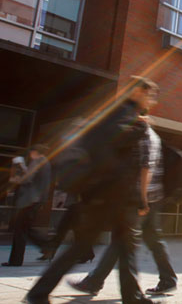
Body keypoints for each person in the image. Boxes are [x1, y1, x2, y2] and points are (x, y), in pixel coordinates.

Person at [26, 77, 158, 304]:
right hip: (107, 194)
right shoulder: (121, 113)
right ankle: (38, 293)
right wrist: (140, 127)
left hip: (115, 194)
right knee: (84, 247)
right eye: (149, 94)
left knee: (125, 247)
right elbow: (108, 143)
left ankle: (133, 298)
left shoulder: (124, 113)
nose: (152, 100)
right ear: (137, 91)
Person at [68, 118, 178, 296]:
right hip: (153, 197)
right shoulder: (154, 136)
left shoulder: (145, 137)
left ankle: (94, 282)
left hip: (142, 199)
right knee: (153, 240)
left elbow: (146, 168)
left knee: (121, 240)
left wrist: (142, 199)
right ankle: (168, 279)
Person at [2, 145, 52, 267]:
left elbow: (27, 179)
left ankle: (16, 260)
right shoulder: (46, 163)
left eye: (31, 153)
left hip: (29, 201)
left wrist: (19, 166)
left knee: (20, 230)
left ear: (35, 152)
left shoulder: (37, 162)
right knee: (26, 229)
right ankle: (48, 247)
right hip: (35, 200)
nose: (30, 156)